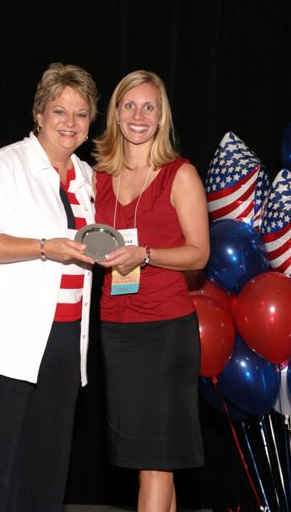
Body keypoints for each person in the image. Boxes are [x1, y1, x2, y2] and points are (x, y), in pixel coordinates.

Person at [0, 62, 98, 512]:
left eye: (81, 113)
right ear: (39, 114)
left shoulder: (86, 178)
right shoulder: (2, 166)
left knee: (45, 477)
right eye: (59, 111)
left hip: (64, 343)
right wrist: (48, 246)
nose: (69, 123)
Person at [93, 70, 210, 512]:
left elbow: (199, 254)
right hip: (117, 330)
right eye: (129, 105)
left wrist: (145, 254)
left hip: (165, 330)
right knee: (150, 461)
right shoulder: (98, 178)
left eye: (149, 107)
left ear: (161, 118)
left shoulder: (179, 174)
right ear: (116, 114)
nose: (138, 115)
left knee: (156, 461)